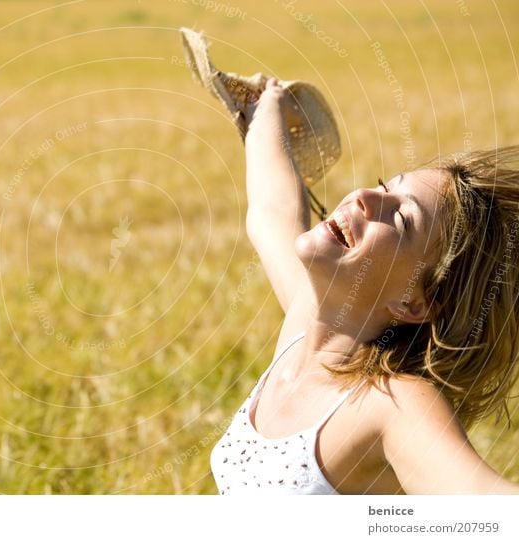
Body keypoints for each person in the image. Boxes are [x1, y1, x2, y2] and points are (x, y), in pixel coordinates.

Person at [210, 77, 519, 494]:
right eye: (384, 186)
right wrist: (267, 102)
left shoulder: (394, 406)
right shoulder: (305, 327)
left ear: (415, 303)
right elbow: (272, 208)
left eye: (402, 219)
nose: (362, 197)